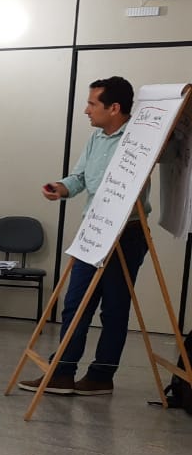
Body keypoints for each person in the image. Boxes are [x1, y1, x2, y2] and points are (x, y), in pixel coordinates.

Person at [21, 76, 145, 396]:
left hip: (126, 232)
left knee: (114, 308)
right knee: (75, 303)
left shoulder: (140, 137)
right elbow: (78, 178)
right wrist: (60, 188)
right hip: (95, 230)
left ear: (114, 108)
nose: (86, 110)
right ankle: (62, 372)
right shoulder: (96, 138)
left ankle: (101, 376)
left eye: (92, 104)